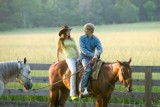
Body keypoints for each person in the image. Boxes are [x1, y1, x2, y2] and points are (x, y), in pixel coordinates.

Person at [79, 23, 103, 96]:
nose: (84, 31)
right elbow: (83, 50)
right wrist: (94, 55)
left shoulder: (96, 39)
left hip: (94, 57)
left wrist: (97, 54)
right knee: (88, 70)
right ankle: (82, 90)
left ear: (90, 30)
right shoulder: (81, 38)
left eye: (85, 29)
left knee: (102, 69)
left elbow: (100, 48)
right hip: (84, 57)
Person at [56, 25, 79, 100]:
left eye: (69, 31)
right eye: (68, 31)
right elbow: (58, 50)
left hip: (76, 57)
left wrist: (79, 57)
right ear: (64, 32)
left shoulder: (72, 39)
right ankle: (73, 93)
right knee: (74, 71)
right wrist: (58, 60)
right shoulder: (61, 41)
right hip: (69, 59)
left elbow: (76, 48)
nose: (69, 32)